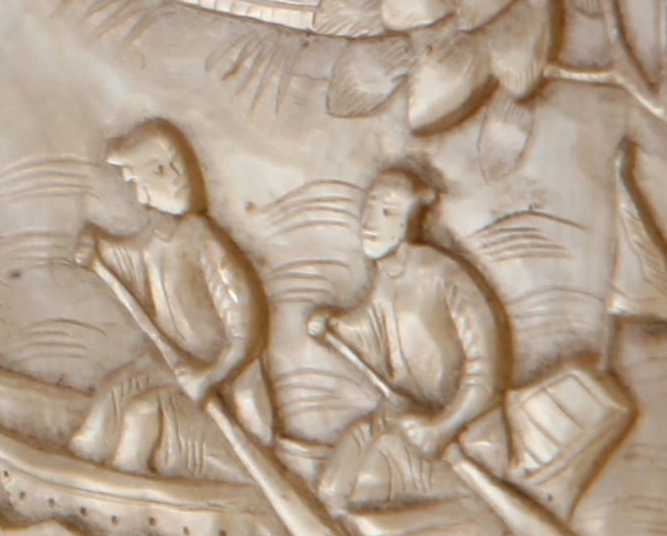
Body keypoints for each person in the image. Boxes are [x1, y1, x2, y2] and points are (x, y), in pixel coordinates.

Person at [68, 123, 267, 480]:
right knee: (111, 399)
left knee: (142, 414)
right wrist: (96, 247)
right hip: (172, 363)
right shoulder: (155, 235)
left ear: (164, 173)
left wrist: (210, 376)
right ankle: (81, 471)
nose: (134, 189)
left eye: (136, 179)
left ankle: (128, 484)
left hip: (220, 382)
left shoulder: (205, 243)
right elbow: (128, 258)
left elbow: (246, 331)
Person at [309, 168, 509, 512]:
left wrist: (443, 427)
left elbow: (487, 371)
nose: (369, 222)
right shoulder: (387, 277)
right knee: (331, 485)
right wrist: (334, 327)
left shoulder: (444, 276)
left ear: (409, 222)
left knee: (366, 487)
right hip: (405, 415)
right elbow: (369, 326)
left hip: (464, 434)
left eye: (387, 212)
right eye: (370, 208)